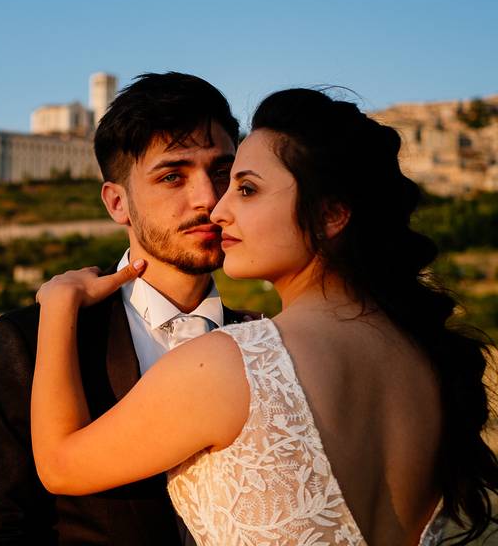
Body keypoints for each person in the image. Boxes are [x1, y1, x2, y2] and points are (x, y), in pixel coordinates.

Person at [31, 88, 498, 545]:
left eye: (246, 188)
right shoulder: (427, 364)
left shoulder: (233, 362)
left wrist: (57, 307)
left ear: (331, 215)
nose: (218, 207)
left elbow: (58, 466)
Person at [0, 73, 260, 545]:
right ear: (118, 202)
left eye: (222, 170)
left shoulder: (268, 340)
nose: (207, 198)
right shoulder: (33, 339)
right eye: (172, 176)